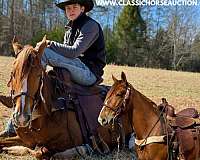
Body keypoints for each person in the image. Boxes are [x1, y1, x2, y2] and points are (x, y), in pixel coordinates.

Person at [0, 0, 106, 137]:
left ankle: (32, 89)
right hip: (75, 68)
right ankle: (20, 104)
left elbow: (74, 52)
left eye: (75, 7)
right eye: (68, 8)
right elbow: (65, 56)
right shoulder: (69, 29)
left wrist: (49, 44)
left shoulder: (90, 26)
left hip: (88, 73)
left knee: (43, 54)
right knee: (36, 64)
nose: (71, 10)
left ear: (83, 8)